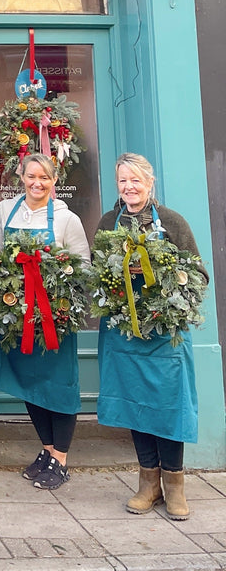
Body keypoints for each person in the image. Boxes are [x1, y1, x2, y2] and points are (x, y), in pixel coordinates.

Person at [95, 153, 206, 520]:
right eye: (122, 181)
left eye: (135, 181)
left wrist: (165, 279)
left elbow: (200, 274)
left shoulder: (172, 222)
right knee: (135, 404)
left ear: (150, 182)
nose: (129, 187)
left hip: (165, 335)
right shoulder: (109, 222)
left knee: (169, 407)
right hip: (124, 335)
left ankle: (174, 486)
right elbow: (96, 275)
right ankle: (147, 484)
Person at [0, 153, 90, 491]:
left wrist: (60, 298)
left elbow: (82, 267)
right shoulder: (6, 210)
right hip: (19, 317)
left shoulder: (66, 219)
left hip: (52, 319)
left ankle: (61, 459)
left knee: (58, 387)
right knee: (29, 383)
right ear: (22, 176)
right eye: (31, 176)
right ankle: (46, 451)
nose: (37, 183)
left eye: (44, 177)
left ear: (54, 180)